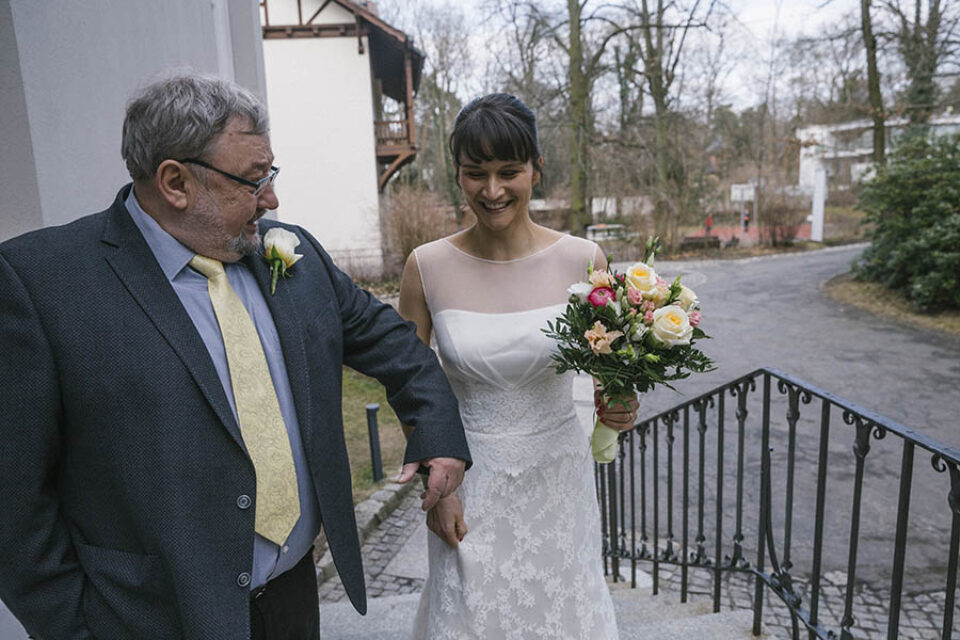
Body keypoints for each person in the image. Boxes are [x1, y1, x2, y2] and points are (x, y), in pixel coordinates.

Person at [0, 73, 470, 640]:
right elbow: (15, 503)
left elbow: (392, 341)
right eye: (253, 180)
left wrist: (438, 429)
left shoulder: (294, 256)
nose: (272, 198)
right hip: (150, 621)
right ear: (175, 182)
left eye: (270, 175)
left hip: (295, 599)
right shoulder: (41, 285)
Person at [398, 93, 638, 639]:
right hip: (468, 482)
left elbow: (612, 376)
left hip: (558, 479)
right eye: (475, 173)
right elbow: (410, 387)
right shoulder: (426, 267)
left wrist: (620, 403)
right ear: (457, 174)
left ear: (536, 169)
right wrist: (439, 491)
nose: (493, 190)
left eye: (510, 171)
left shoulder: (583, 259)